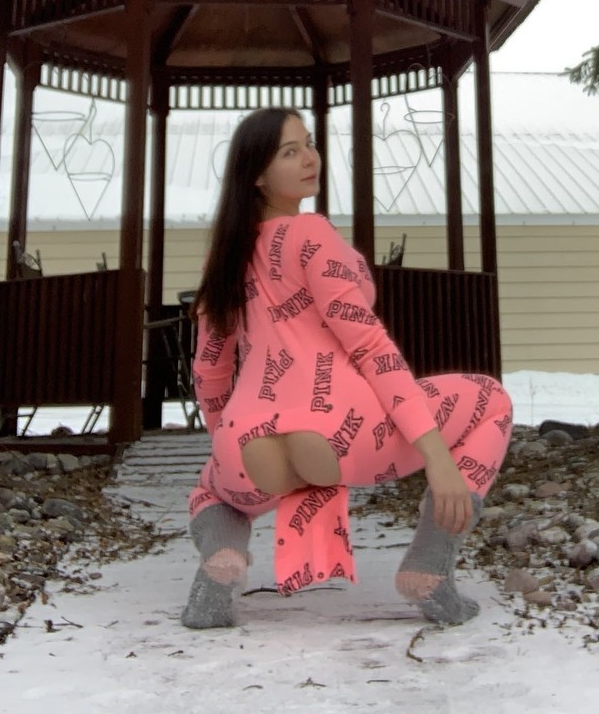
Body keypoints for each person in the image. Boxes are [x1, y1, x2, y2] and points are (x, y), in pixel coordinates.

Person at [181, 105, 514, 630]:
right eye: (289, 152)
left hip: (247, 442)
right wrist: (437, 458)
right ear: (258, 176)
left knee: (208, 492)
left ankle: (221, 565)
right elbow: (371, 348)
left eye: (309, 144)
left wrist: (227, 439)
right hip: (339, 432)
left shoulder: (223, 256)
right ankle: (429, 568)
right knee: (490, 400)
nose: (309, 158)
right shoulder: (311, 235)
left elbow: (209, 371)